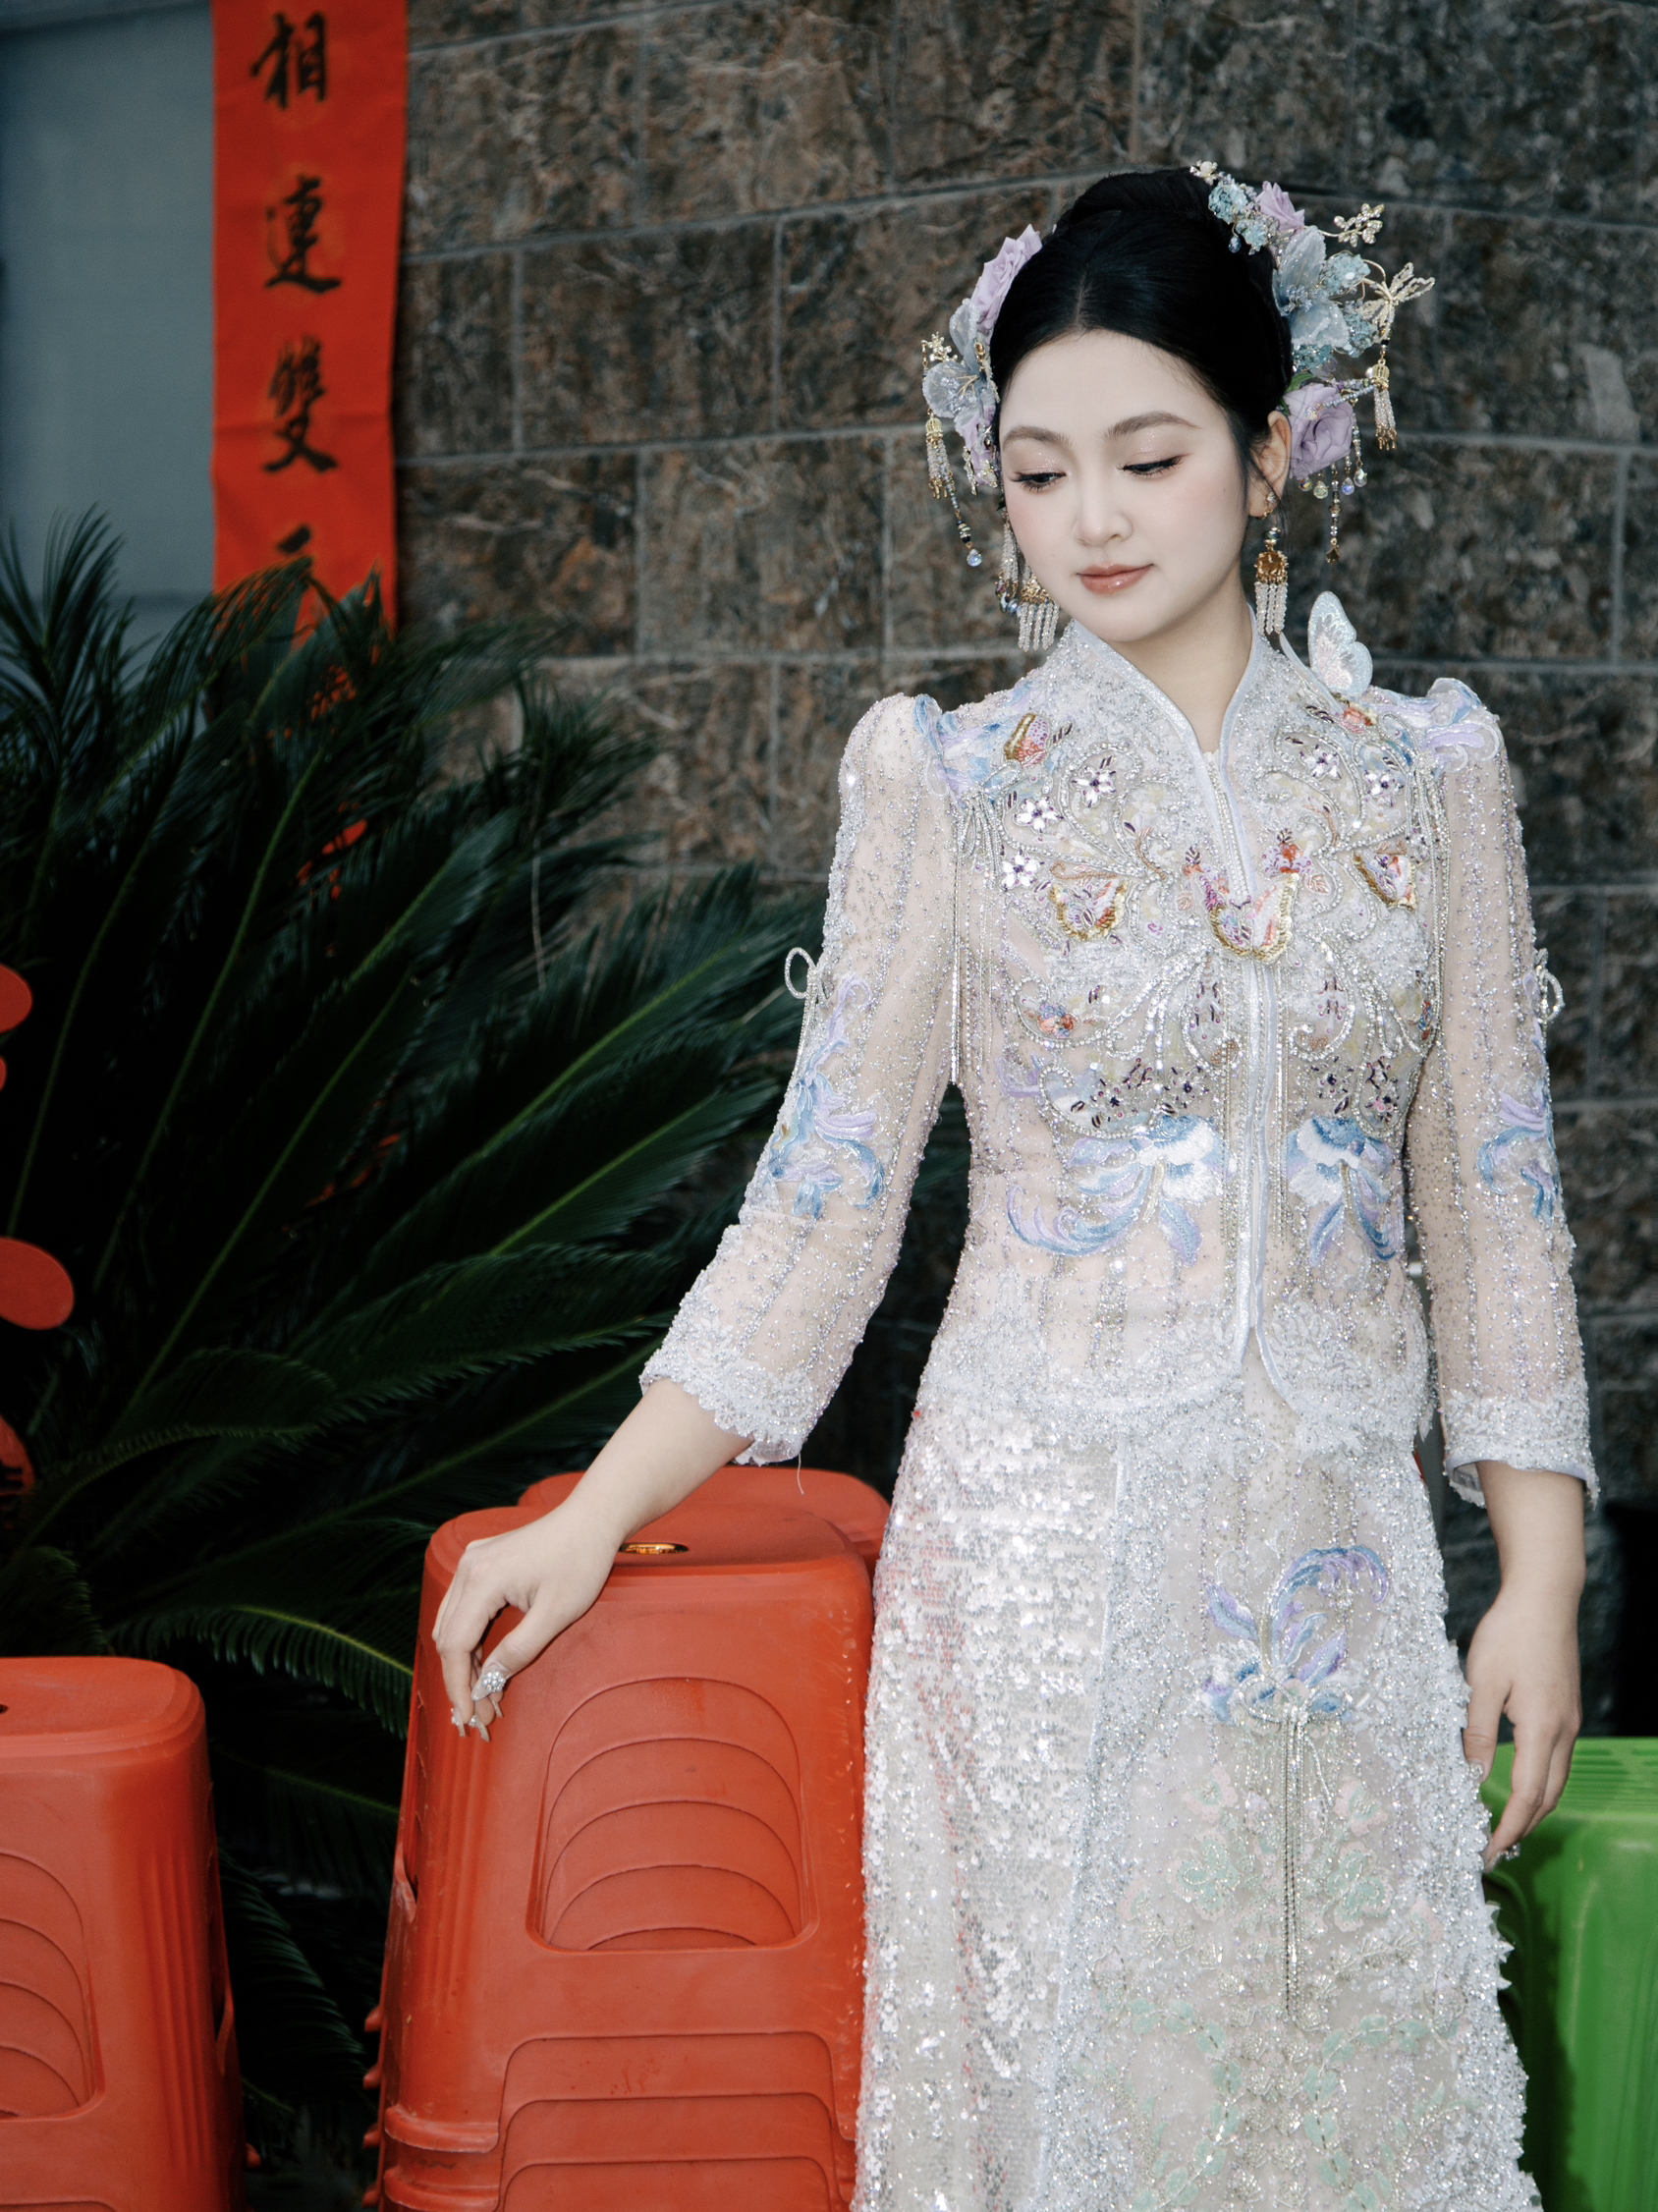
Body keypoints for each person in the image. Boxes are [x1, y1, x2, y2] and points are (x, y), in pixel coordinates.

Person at [432, 168, 1590, 2209]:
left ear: (1269, 449)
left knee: (1350, 2095)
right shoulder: (950, 786)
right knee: (1070, 2105)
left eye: (1148, 455)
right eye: (1039, 472)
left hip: (1334, 1555)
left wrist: (1543, 1582)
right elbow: (823, 1205)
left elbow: (1497, 1197)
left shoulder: (1425, 780)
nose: (1093, 518)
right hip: (1037, 1565)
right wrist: (594, 1514)